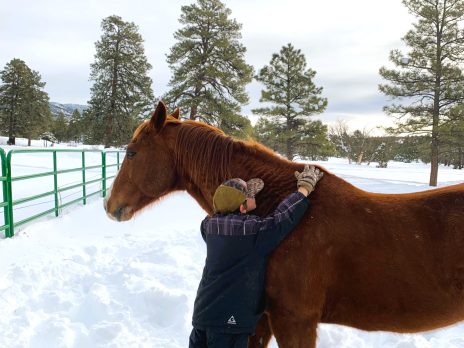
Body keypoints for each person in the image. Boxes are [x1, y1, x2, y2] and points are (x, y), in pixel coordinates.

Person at [189, 165, 324, 348]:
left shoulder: (208, 226)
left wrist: (240, 196)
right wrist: (304, 188)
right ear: (243, 207)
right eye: (249, 195)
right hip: (229, 322)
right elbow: (281, 218)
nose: (253, 197)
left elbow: (225, 212)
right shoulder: (252, 232)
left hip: (203, 315)